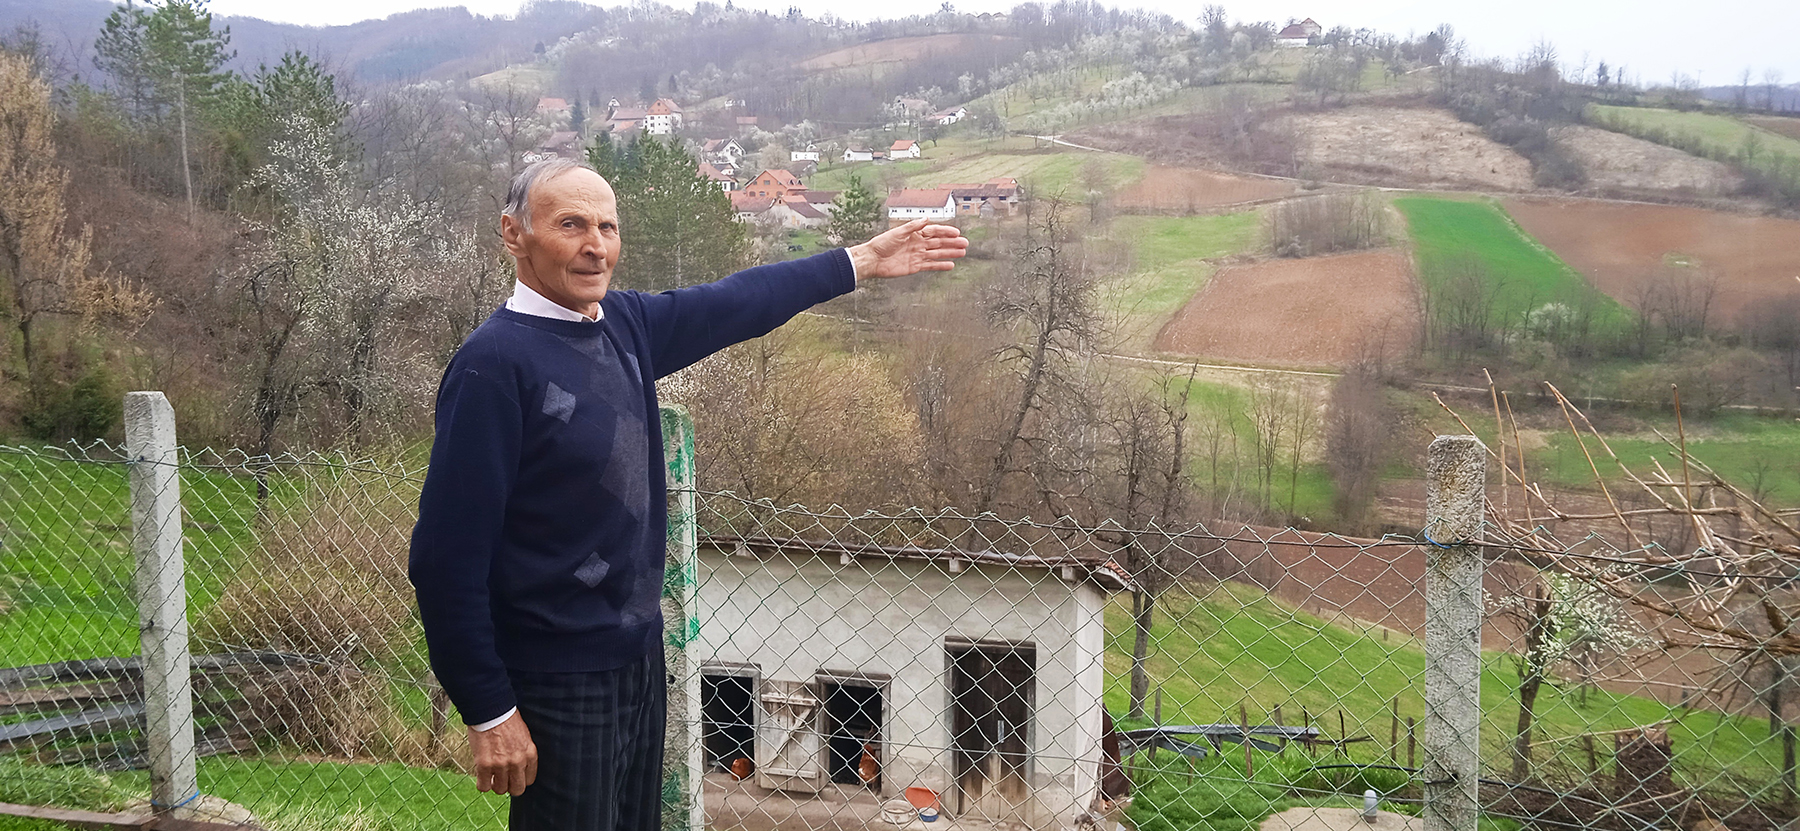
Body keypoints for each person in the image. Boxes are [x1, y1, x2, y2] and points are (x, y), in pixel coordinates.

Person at [408, 157, 966, 831]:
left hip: (639, 664)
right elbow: (445, 561)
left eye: (608, 226)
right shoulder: (493, 366)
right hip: (555, 678)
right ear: (513, 234)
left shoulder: (625, 328)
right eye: (572, 224)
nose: (597, 245)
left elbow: (739, 301)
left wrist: (860, 260)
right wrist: (489, 710)